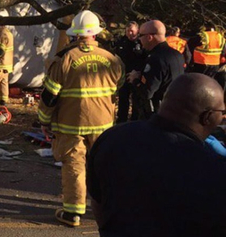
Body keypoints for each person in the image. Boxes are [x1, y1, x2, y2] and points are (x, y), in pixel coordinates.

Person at [87, 73, 226, 237]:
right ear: (207, 117)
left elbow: (97, 199)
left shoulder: (113, 138)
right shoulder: (214, 169)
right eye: (222, 112)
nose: (223, 117)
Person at [37, 10, 124, 227]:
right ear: (96, 34)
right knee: (102, 165)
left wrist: (44, 120)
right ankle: (106, 208)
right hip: (103, 124)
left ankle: (73, 212)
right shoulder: (111, 59)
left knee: (74, 165)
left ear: (75, 34)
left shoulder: (65, 59)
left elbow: (50, 96)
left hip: (71, 124)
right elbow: (119, 86)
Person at [128, 20, 185, 120]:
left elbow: (146, 92)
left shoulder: (156, 59)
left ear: (149, 37)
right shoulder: (177, 55)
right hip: (176, 109)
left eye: (140, 36)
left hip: (158, 115)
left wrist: (135, 80)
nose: (139, 40)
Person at [111, 21, 145, 123]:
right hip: (123, 74)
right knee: (123, 99)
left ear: (137, 31)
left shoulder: (141, 43)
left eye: (132, 31)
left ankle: (134, 121)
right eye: (128, 31)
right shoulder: (121, 42)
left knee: (136, 100)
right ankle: (121, 121)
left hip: (136, 75)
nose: (130, 33)